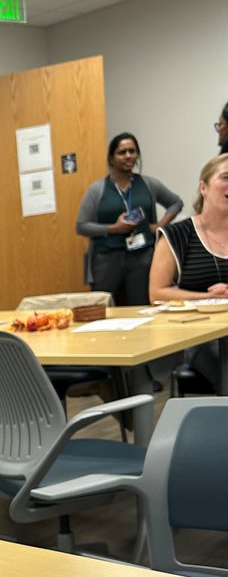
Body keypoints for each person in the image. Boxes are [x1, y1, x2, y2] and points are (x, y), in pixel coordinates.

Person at [149, 153, 228, 389]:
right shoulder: (176, 235)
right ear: (203, 187)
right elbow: (157, 293)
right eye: (225, 177)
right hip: (201, 338)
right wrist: (209, 298)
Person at [76, 132, 182, 305]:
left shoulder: (148, 184)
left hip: (142, 256)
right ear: (111, 158)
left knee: (142, 307)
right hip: (106, 258)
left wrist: (160, 225)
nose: (128, 156)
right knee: (103, 308)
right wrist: (114, 228)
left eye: (132, 151)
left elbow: (176, 203)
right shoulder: (97, 189)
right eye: (122, 152)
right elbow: (81, 226)